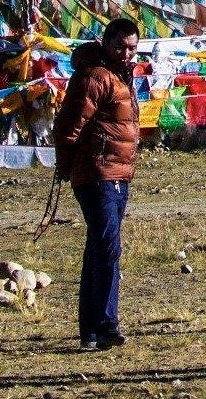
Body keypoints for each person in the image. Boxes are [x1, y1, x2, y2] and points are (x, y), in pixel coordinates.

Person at [53, 18, 143, 350]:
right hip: (97, 173)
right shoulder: (94, 77)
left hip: (118, 174)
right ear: (105, 44)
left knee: (98, 248)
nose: (126, 53)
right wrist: (65, 166)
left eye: (132, 47)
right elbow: (68, 126)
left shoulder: (123, 78)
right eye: (120, 46)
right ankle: (107, 325)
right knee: (108, 248)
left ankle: (89, 331)